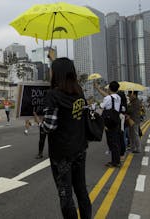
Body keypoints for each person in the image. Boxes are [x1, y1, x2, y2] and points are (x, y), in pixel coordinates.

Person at [42, 58, 91, 219]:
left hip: (61, 153)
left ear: (57, 73)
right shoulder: (79, 92)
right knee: (81, 190)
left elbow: (49, 126)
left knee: (65, 195)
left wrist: (38, 121)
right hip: (80, 148)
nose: (50, 72)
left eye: (51, 69)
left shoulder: (52, 95)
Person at [95, 81, 121, 167]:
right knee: (115, 141)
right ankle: (117, 160)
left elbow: (101, 107)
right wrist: (98, 89)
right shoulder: (118, 97)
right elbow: (109, 97)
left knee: (111, 141)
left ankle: (115, 162)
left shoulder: (108, 98)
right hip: (116, 120)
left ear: (109, 88)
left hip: (109, 122)